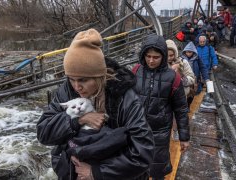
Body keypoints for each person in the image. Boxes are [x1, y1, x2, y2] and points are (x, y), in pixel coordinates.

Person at [36, 29, 154, 180]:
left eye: (84, 80)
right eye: (71, 79)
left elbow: (143, 152)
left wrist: (96, 172)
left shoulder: (125, 98)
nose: (77, 87)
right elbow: (43, 133)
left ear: (99, 76)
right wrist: (78, 121)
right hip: (71, 172)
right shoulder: (66, 91)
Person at [132, 34, 190, 180]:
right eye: (148, 56)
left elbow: (181, 109)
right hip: (137, 129)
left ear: (163, 56)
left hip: (160, 132)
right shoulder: (136, 71)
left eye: (156, 57)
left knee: (157, 168)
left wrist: (184, 137)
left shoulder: (173, 77)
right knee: (136, 167)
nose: (151, 60)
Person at [166, 39, 195, 141]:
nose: (169, 58)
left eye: (171, 55)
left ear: (175, 53)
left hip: (181, 95)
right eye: (167, 55)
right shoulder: (160, 64)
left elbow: (192, 78)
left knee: (178, 114)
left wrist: (180, 78)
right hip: (166, 96)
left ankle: (176, 131)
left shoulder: (183, 62)